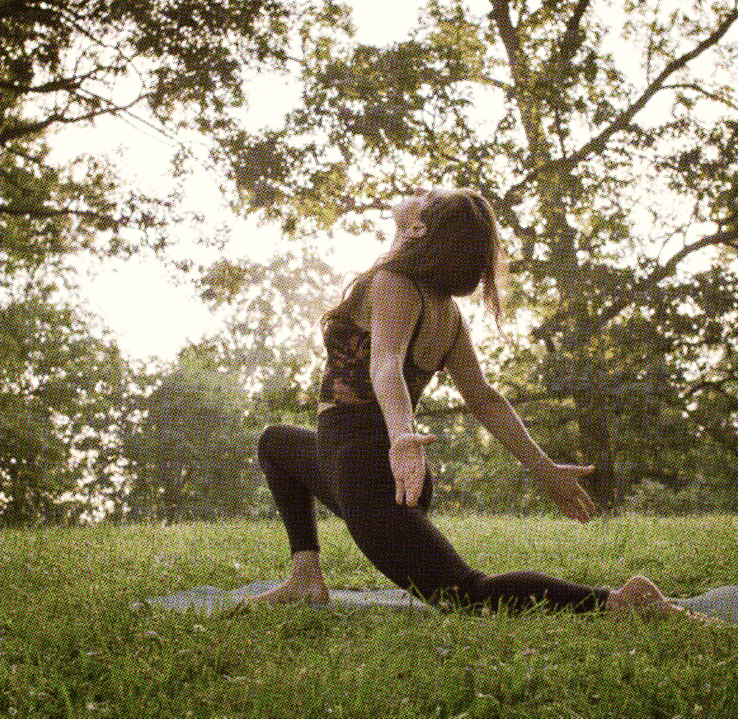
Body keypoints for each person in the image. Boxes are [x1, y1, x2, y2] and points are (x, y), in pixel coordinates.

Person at [251, 188, 684, 619]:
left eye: (426, 198)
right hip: (353, 460)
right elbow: (485, 401)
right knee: (275, 443)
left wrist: (401, 438)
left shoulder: (395, 285)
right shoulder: (441, 309)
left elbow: (385, 365)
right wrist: (543, 469)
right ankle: (306, 578)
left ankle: (617, 602)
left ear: (421, 230)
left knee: (464, 594)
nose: (418, 193)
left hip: (370, 469)